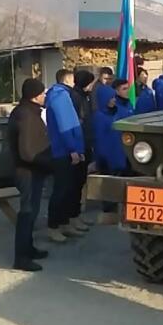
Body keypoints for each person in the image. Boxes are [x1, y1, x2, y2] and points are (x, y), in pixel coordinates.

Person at [9, 78, 51, 272]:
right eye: (42, 93)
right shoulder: (25, 115)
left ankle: (29, 248)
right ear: (34, 96)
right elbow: (27, 151)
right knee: (27, 212)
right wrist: (49, 163)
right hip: (27, 171)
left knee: (32, 211)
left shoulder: (30, 112)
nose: (44, 96)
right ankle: (21, 257)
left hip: (34, 170)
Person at [45, 69, 87, 242]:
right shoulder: (60, 96)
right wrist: (73, 149)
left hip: (68, 149)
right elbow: (65, 125)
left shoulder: (63, 95)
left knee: (69, 189)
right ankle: (53, 226)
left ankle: (65, 222)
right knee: (61, 190)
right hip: (62, 152)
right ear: (68, 79)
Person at [94, 80, 134, 224]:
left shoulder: (120, 111)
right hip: (107, 158)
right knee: (109, 186)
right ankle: (109, 213)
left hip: (121, 154)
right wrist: (102, 157)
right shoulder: (99, 117)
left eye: (113, 97)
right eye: (110, 98)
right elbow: (99, 140)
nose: (113, 100)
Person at [72, 70, 97, 227]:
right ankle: (72, 216)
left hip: (85, 142)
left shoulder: (83, 96)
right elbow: (80, 122)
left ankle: (76, 216)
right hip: (80, 144)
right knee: (76, 183)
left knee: (80, 181)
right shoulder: (77, 97)